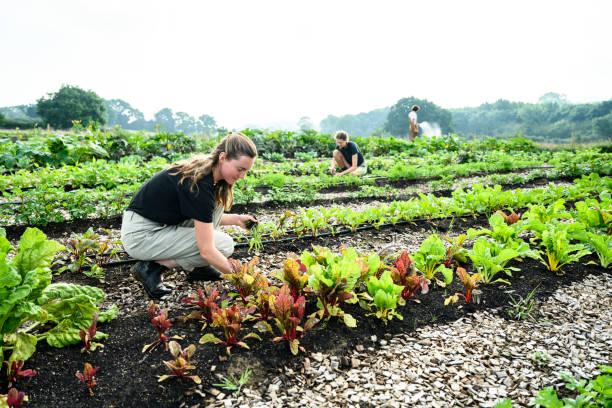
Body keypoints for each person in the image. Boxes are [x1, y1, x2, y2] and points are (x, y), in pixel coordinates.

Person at [121, 132, 258, 299]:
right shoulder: (200, 185)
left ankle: (198, 268)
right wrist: (241, 280)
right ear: (223, 157)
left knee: (216, 209)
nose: (242, 176)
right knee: (223, 245)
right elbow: (207, 250)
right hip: (141, 236)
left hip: (155, 225)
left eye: (246, 171)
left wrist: (236, 219)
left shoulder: (205, 174)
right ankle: (152, 268)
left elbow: (202, 217)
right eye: (240, 169)